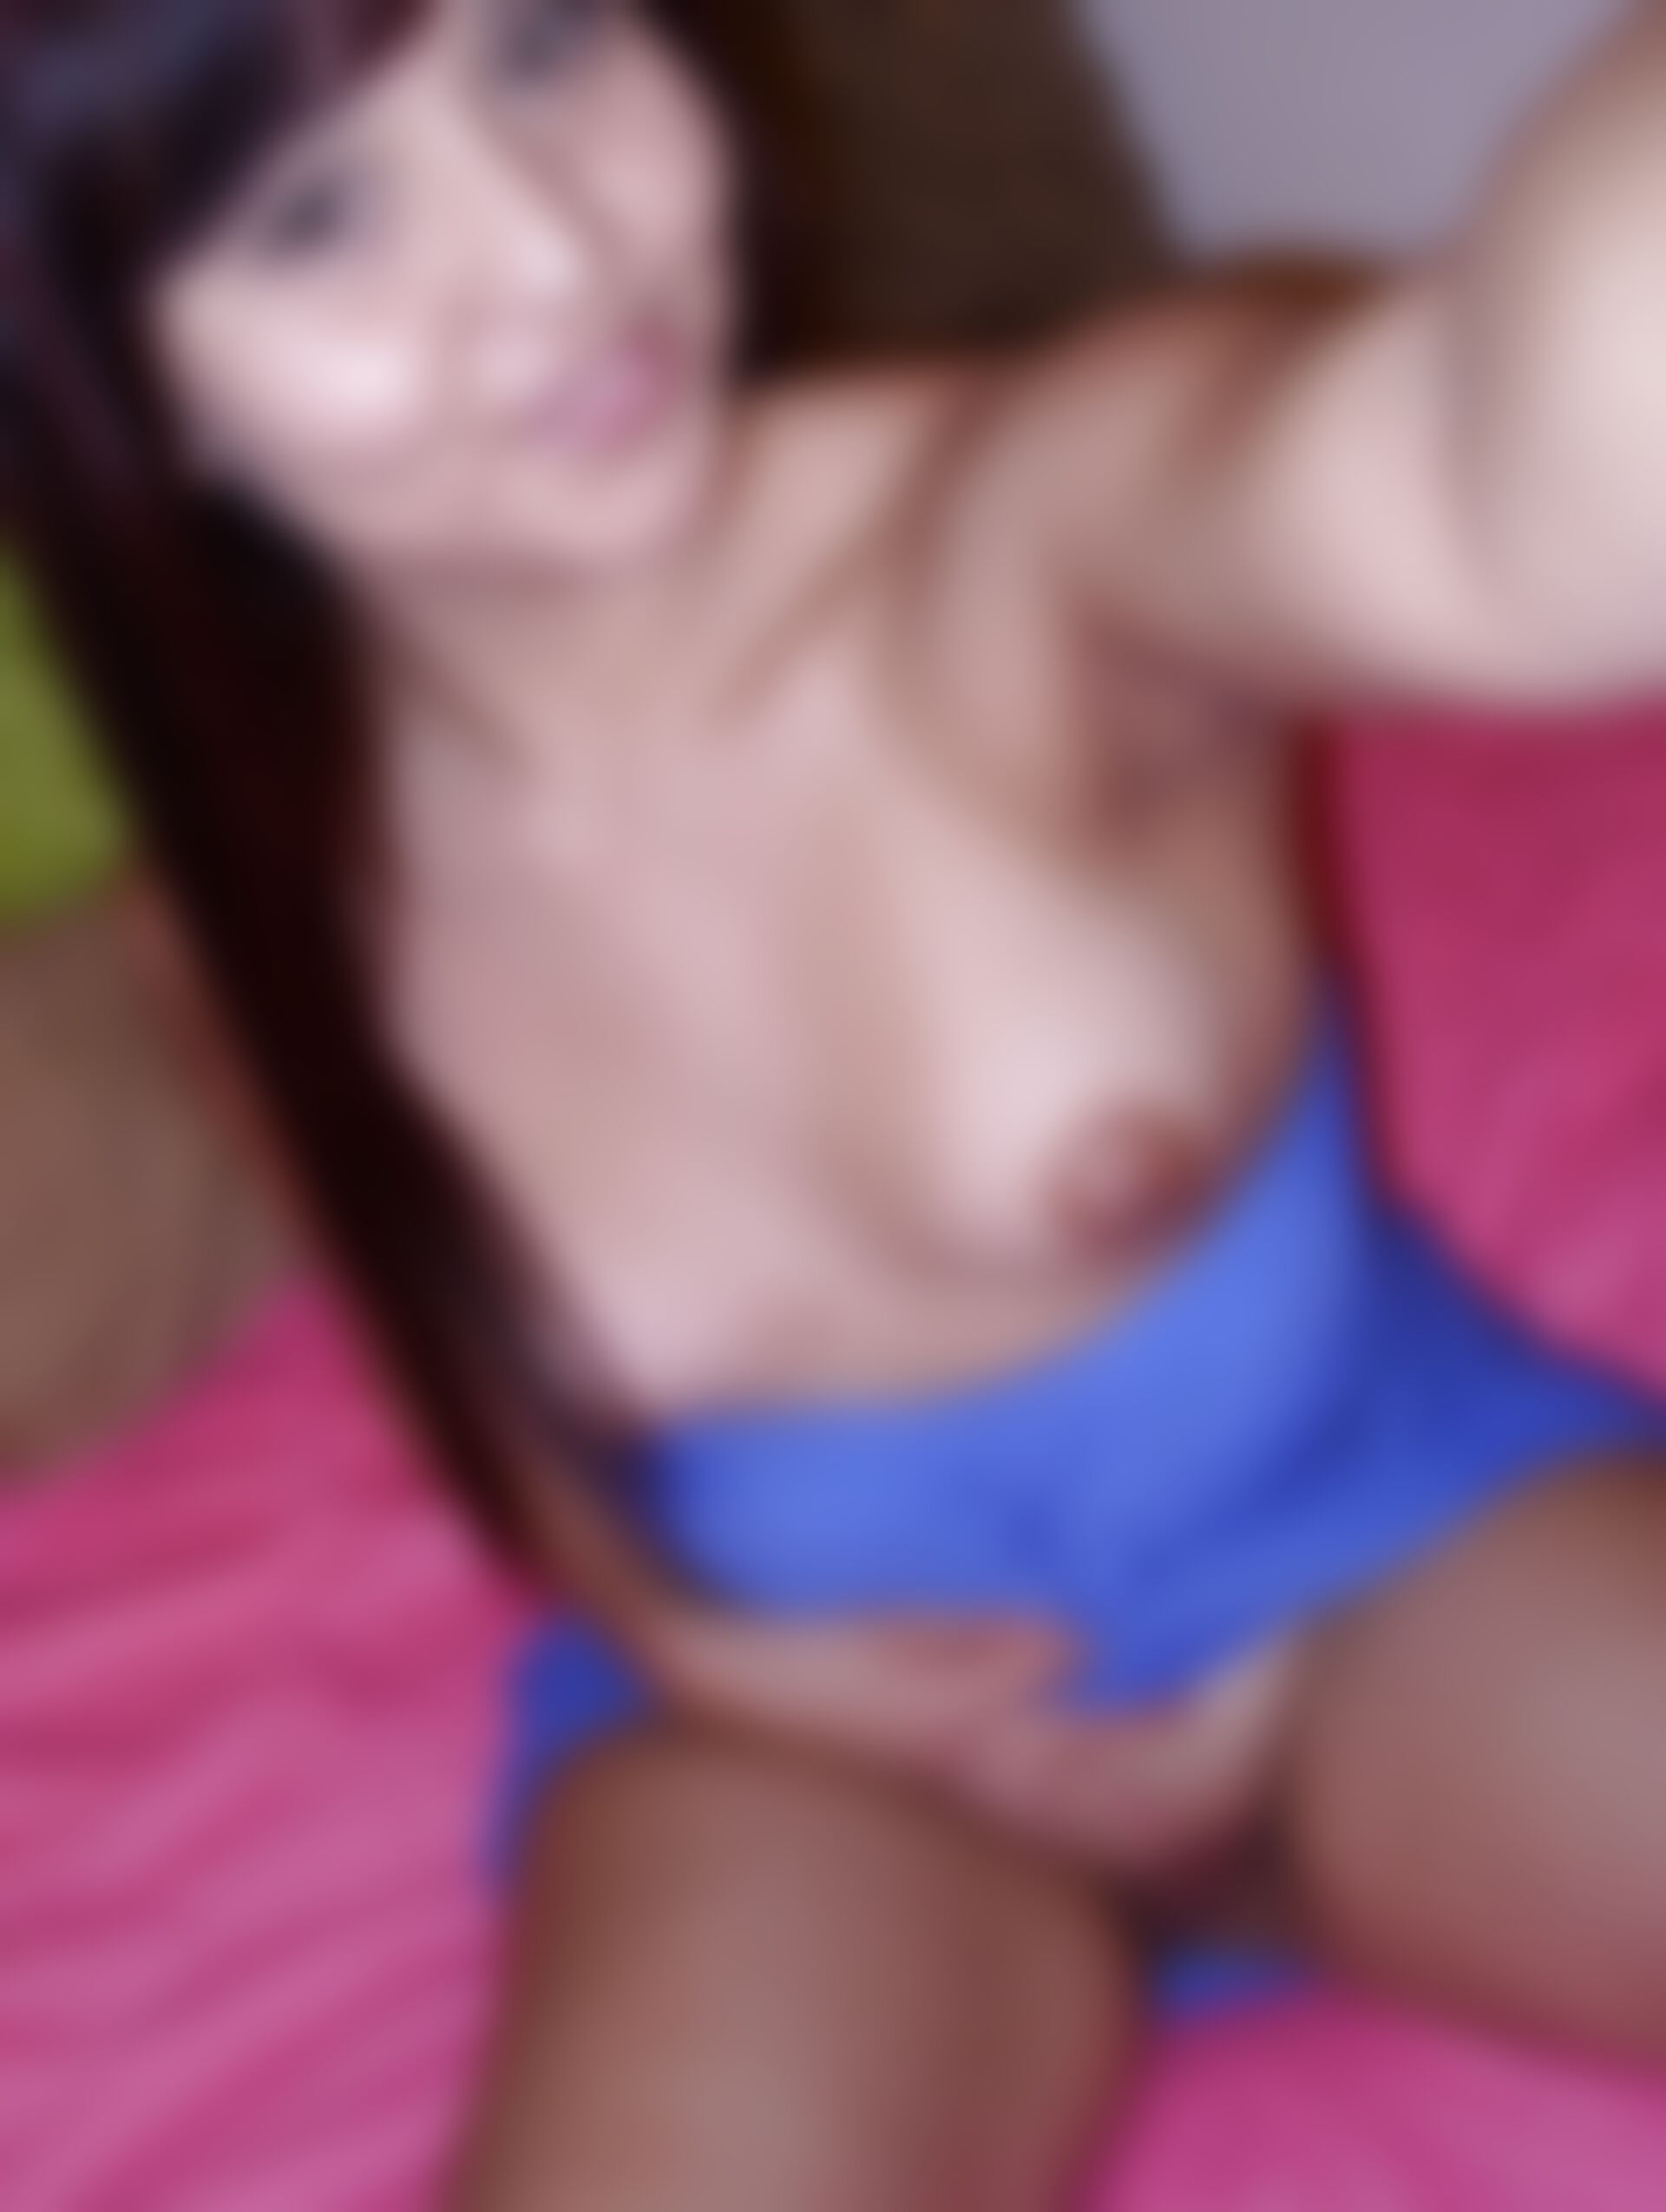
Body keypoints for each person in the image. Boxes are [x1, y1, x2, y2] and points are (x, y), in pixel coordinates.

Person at [4, 4, 1666, 2207]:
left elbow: (1511, 487)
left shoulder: (1028, 536)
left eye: (544, 46)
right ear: (124, 390)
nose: (556, 250)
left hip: (1381, 1556)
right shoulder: (245, 912)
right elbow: (446, 1328)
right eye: (319, 214)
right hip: (809, 1764)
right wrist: (689, 1638)